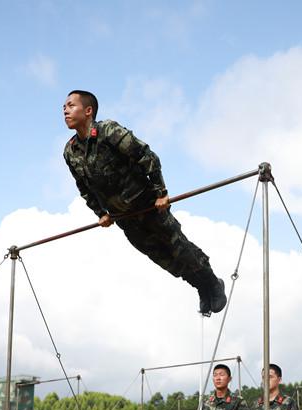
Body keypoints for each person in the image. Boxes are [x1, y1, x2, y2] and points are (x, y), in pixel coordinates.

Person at [62, 90, 227, 316]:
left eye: (71, 105)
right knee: (164, 259)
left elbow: (146, 156)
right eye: (64, 107)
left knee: (180, 249)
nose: (65, 110)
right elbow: (84, 188)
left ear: (88, 110)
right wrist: (100, 212)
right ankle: (200, 287)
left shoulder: (108, 131)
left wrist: (161, 192)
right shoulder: (70, 151)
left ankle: (212, 283)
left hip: (148, 205)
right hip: (125, 219)